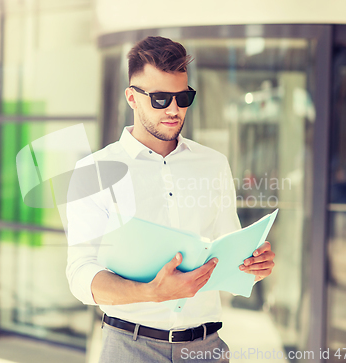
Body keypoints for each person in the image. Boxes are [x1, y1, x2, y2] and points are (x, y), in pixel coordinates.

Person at [66, 36, 275, 363]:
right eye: (161, 98)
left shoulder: (213, 163)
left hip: (206, 348)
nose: (175, 110)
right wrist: (150, 292)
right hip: (129, 347)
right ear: (132, 98)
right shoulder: (93, 171)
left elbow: (227, 250)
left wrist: (252, 266)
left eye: (183, 97)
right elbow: (80, 275)